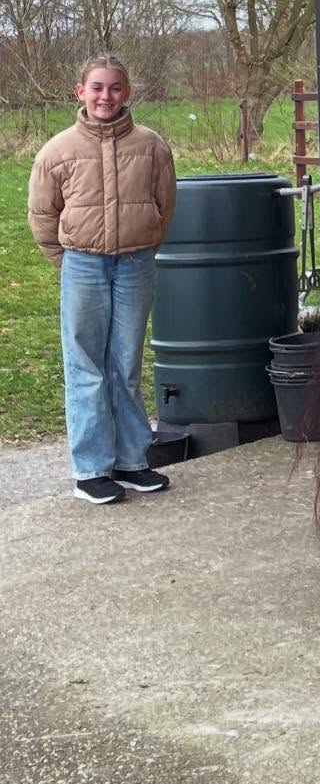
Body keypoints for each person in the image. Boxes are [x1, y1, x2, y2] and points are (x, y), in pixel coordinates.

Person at [27, 54, 178, 504]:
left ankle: (132, 462)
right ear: (81, 92)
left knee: (126, 364)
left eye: (114, 88)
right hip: (83, 266)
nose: (105, 97)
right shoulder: (58, 151)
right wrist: (65, 261)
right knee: (85, 366)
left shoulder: (152, 147)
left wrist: (144, 243)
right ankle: (91, 470)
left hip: (135, 265)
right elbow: (41, 214)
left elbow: (165, 204)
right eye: (96, 87)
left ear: (126, 93)